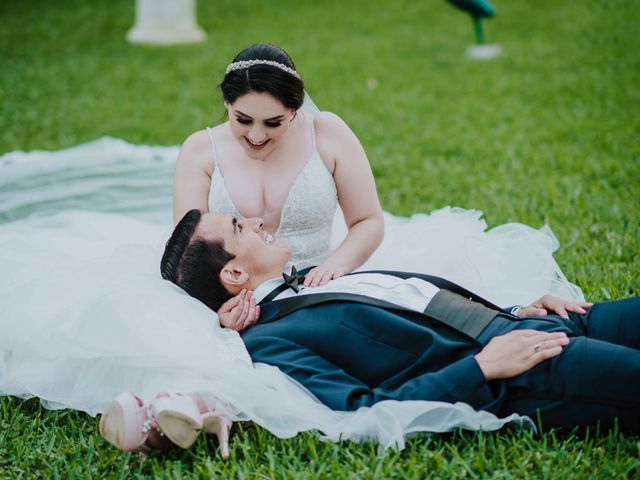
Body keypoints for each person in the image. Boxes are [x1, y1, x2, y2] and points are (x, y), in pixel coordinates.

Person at [145, 209, 639, 449]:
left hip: (531, 321)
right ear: (233, 275)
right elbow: (365, 409)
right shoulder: (268, 341)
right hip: (526, 370)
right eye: (237, 226)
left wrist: (517, 308)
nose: (253, 220)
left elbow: (421, 305)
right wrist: (483, 367)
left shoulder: (318, 276)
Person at [172, 43, 384, 331]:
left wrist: (335, 267)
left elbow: (368, 220)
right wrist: (221, 312)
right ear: (226, 103)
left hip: (321, 288)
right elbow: (191, 251)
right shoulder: (200, 149)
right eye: (243, 120)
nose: (256, 135)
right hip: (241, 304)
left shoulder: (327, 133)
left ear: (295, 109)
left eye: (273, 123)